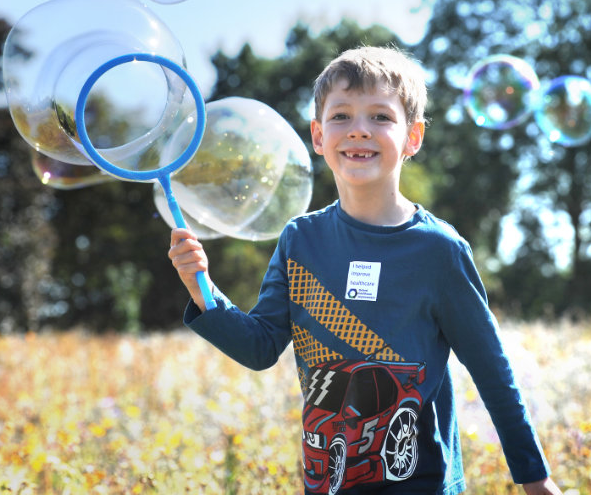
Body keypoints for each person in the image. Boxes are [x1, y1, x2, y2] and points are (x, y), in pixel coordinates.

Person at [168, 46, 563, 495]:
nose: (358, 130)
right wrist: (203, 292)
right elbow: (260, 348)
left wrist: (535, 479)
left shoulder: (439, 251)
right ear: (318, 136)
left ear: (412, 138)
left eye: (380, 117)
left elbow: (492, 372)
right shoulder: (300, 241)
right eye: (341, 117)